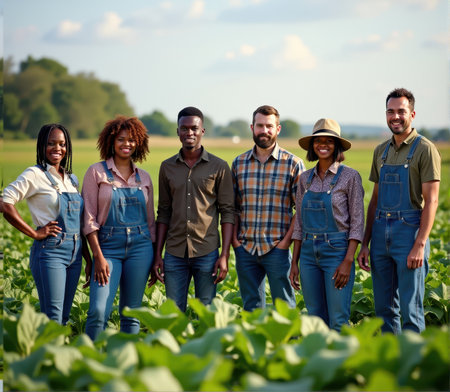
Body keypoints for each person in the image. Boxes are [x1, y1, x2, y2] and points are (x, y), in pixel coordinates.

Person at [357, 88, 440, 334]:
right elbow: (375, 200)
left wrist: (420, 244)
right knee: (383, 310)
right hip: (381, 233)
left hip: (409, 232)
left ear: (412, 114)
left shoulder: (425, 149)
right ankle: (391, 361)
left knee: (411, 309)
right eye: (391, 111)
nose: (396, 116)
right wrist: (365, 242)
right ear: (386, 114)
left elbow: (432, 200)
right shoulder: (380, 150)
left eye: (401, 111)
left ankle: (414, 367)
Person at [2, 123, 90, 324]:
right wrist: (35, 234)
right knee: (53, 318)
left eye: (62, 144)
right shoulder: (34, 174)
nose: (57, 148)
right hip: (51, 252)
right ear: (42, 145)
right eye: (51, 143)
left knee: (65, 317)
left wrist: (88, 259)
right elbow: (5, 202)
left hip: (75, 254)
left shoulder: (71, 179)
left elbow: (78, 222)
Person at [150, 106, 235, 312]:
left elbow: (228, 212)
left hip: (207, 252)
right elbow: (163, 212)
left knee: (205, 312)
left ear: (202, 131)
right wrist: (157, 254)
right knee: (173, 312)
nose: (190, 133)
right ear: (178, 131)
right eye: (184, 129)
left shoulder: (219, 166)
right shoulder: (167, 167)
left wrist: (224, 255)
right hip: (174, 253)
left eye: (194, 129)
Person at [82, 115, 155, 340]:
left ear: (139, 143)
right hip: (108, 249)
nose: (127, 144)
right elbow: (89, 219)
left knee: (131, 314)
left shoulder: (144, 177)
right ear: (111, 142)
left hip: (141, 249)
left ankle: (126, 365)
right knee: (98, 311)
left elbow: (151, 222)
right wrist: (98, 256)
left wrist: (155, 258)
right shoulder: (96, 172)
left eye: (132, 140)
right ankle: (89, 363)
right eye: (121, 139)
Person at [289, 118, 364, 331]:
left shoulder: (350, 177)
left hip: (337, 252)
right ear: (312, 146)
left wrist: (348, 261)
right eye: (318, 140)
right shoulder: (305, 179)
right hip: (308, 255)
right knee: (315, 319)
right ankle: (320, 362)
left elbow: (357, 223)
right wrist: (295, 262)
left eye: (329, 141)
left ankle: (340, 363)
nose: (323, 145)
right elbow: (300, 224)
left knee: (338, 319)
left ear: (337, 145)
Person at [231, 105, 305, 311]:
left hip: (277, 249)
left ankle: (289, 343)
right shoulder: (239, 163)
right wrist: (236, 242)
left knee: (285, 308)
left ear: (278, 129)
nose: (264, 130)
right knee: (251, 308)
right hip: (245, 248)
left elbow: (301, 211)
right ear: (252, 127)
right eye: (260, 125)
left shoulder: (293, 164)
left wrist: (285, 244)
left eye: (269, 126)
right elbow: (233, 207)